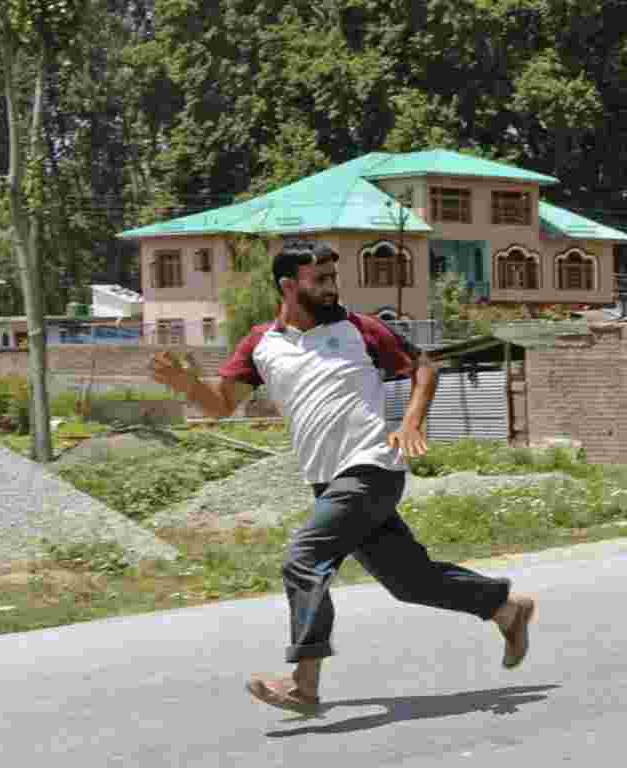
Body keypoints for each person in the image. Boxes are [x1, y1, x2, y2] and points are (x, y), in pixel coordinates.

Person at [149, 240, 535, 714]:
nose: (333, 288)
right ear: (289, 285)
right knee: (409, 581)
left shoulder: (361, 330)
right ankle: (506, 608)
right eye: (321, 280)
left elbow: (424, 368)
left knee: (305, 556)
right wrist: (187, 387)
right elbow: (222, 406)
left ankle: (303, 685)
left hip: (372, 466)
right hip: (327, 480)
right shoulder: (260, 344)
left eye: (335, 278)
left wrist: (411, 422)